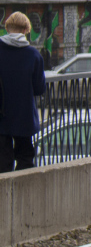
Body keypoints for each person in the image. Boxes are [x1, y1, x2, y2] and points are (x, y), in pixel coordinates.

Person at [0, 12, 45, 172]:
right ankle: (22, 195)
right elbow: (40, 88)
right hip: (24, 116)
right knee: (25, 159)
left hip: (2, 116)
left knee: (3, 164)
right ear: (26, 29)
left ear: (7, 28)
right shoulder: (33, 55)